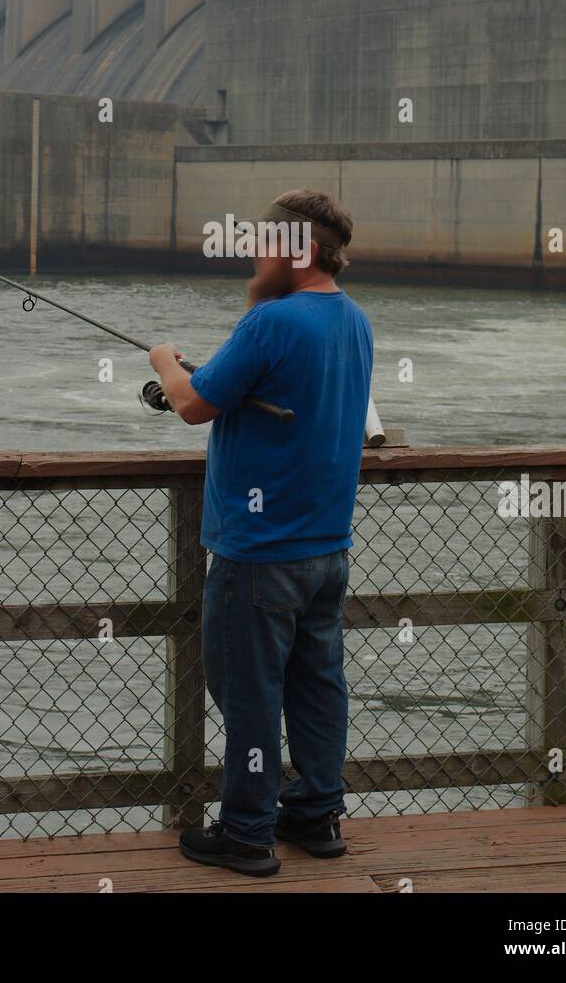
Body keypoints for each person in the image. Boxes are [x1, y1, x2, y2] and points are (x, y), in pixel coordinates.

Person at [148, 188, 373, 878]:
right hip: (326, 550)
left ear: (297, 253)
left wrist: (164, 362)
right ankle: (315, 815)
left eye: (264, 246)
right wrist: (201, 380)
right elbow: (249, 391)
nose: (252, 255)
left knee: (249, 698)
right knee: (317, 687)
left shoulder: (270, 321)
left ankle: (246, 833)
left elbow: (191, 405)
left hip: (258, 554)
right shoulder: (353, 321)